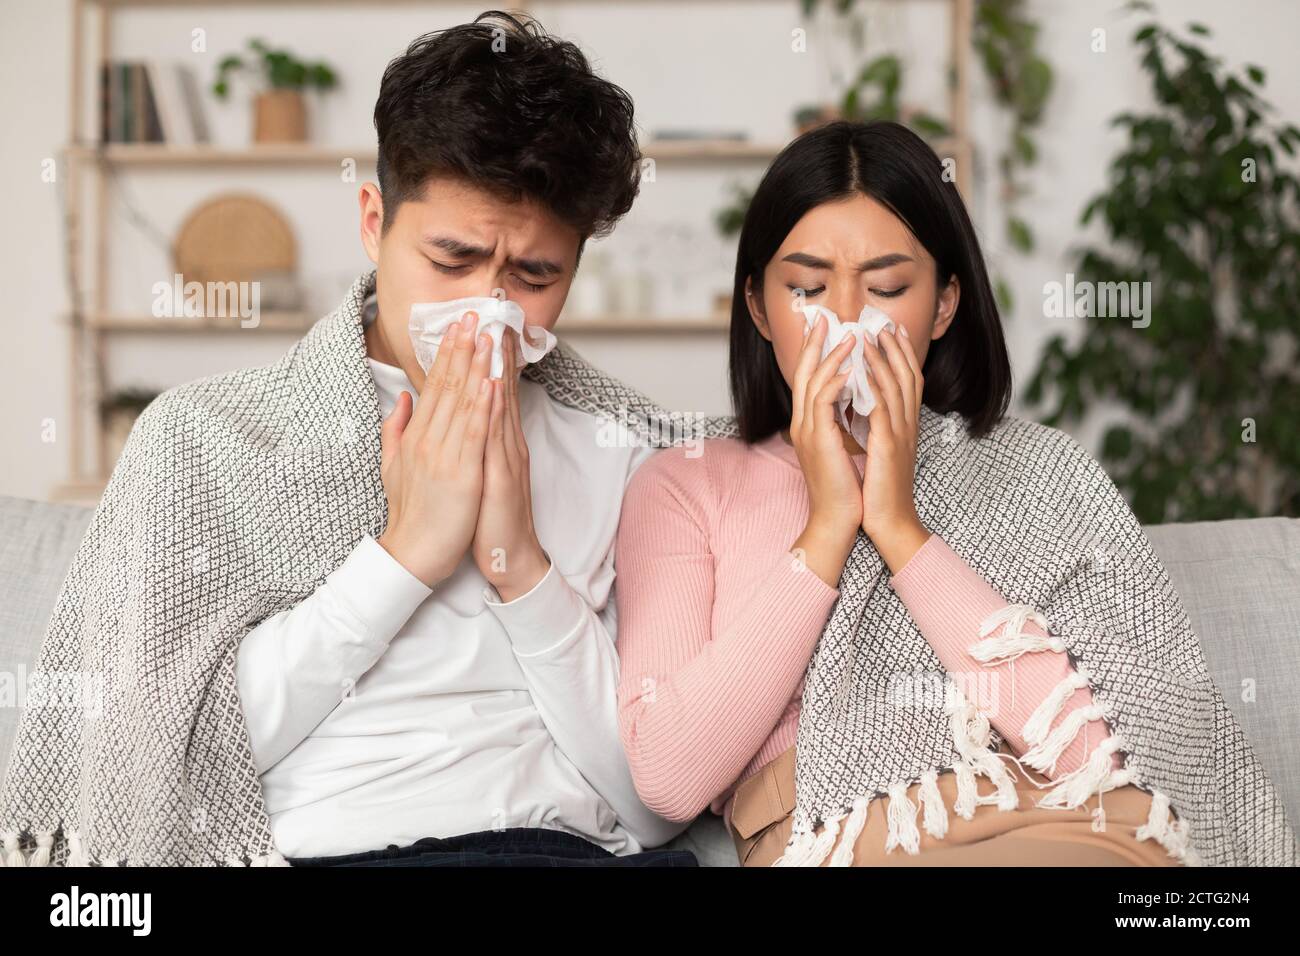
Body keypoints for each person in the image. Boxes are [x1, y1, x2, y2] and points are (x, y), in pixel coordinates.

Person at [0, 10, 701, 868]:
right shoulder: (210, 441)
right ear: (373, 221)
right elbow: (151, 764)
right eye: (452, 260)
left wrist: (519, 562)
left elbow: (656, 801)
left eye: (534, 275)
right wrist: (403, 557)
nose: (490, 309)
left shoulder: (626, 455)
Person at [612, 120, 1241, 867]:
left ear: (943, 305)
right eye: (807, 288)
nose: (846, 319)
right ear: (757, 307)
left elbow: (1097, 751)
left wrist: (898, 526)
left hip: (1074, 827)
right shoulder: (686, 482)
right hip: (850, 834)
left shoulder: (1032, 469)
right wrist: (829, 526)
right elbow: (670, 775)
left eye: (886, 288)